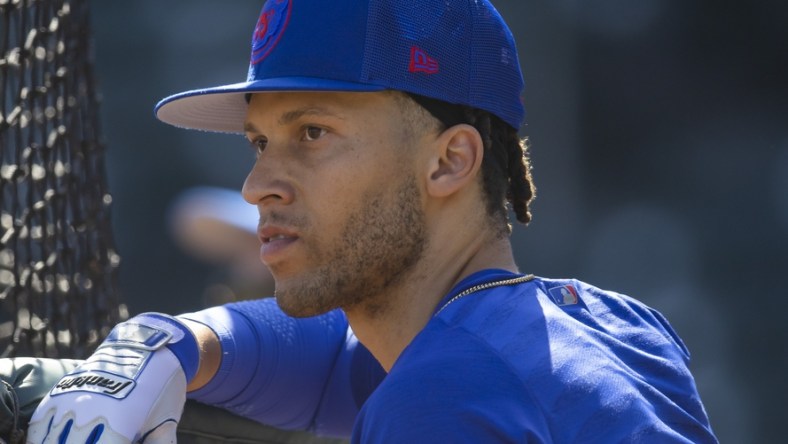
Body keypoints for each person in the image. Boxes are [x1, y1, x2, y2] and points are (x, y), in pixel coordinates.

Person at [26, 0, 718, 443]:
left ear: (449, 163)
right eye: (260, 142)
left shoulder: (442, 401)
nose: (258, 185)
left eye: (314, 134)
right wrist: (170, 342)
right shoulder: (615, 328)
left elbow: (406, 386)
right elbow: (338, 362)